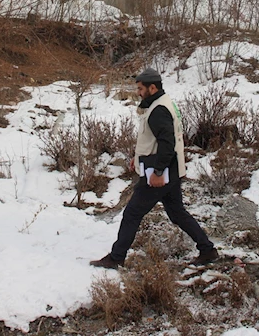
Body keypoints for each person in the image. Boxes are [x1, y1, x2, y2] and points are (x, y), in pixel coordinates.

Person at [90, 68, 218, 269]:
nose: (138, 92)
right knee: (177, 213)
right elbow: (154, 139)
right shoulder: (161, 103)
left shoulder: (158, 110)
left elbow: (167, 144)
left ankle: (116, 258)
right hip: (171, 170)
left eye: (141, 89)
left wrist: (158, 173)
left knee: (132, 214)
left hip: (160, 172)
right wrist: (138, 157)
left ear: (152, 87)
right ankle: (207, 249)